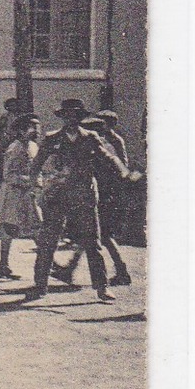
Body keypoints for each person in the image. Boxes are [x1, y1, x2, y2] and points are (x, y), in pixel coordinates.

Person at [25, 99, 136, 303]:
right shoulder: (52, 138)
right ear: (63, 117)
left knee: (92, 243)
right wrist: (37, 186)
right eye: (68, 115)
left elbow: (108, 158)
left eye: (76, 115)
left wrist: (124, 173)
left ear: (80, 118)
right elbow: (36, 164)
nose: (71, 119)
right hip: (58, 196)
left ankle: (102, 288)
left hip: (84, 195)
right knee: (49, 241)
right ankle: (40, 286)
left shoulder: (90, 138)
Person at [49, 110, 137, 291]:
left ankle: (121, 271)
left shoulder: (108, 145)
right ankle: (71, 269)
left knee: (100, 234)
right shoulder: (102, 144)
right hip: (103, 193)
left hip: (106, 195)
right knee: (93, 234)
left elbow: (117, 167)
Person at [0, 113, 42, 280]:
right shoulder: (15, 148)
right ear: (21, 131)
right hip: (14, 194)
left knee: (36, 228)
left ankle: (51, 264)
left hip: (28, 194)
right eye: (33, 127)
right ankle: (3, 265)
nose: (37, 131)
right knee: (12, 229)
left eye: (38, 127)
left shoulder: (33, 146)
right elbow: (8, 174)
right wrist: (30, 180)